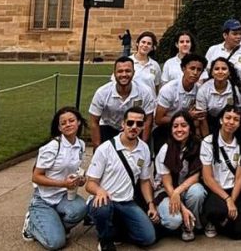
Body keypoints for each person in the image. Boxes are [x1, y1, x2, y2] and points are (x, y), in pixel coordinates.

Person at [85, 106, 157, 251]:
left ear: (143, 126)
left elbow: (144, 181)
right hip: (106, 200)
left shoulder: (144, 148)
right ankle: (105, 240)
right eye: (130, 123)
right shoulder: (105, 149)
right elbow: (90, 184)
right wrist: (99, 191)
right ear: (123, 124)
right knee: (102, 209)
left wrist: (150, 204)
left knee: (148, 238)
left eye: (139, 124)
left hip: (127, 202)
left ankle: (115, 229)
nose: (134, 127)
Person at [22, 107, 88, 250]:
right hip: (44, 199)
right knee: (56, 243)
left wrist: (80, 179)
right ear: (59, 128)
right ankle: (31, 224)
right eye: (63, 123)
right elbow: (36, 177)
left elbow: (75, 170)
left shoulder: (81, 145)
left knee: (81, 209)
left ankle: (54, 225)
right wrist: (63, 183)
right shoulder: (52, 147)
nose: (68, 124)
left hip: (64, 196)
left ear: (79, 122)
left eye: (71, 121)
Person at [154, 111, 206, 241]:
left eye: (183, 125)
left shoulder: (197, 145)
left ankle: (189, 225)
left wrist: (178, 191)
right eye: (175, 126)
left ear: (190, 128)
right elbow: (167, 184)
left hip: (184, 188)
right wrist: (182, 208)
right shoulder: (165, 149)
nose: (179, 130)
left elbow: (196, 176)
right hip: (166, 191)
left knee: (198, 192)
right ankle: (177, 218)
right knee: (173, 221)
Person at [200, 105, 241, 240]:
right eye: (228, 118)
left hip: (233, 190)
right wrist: (227, 200)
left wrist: (232, 201)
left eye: (236, 119)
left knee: (240, 232)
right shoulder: (208, 142)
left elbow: (239, 178)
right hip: (215, 190)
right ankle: (212, 221)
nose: (231, 122)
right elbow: (207, 178)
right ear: (221, 120)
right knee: (217, 211)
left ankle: (224, 222)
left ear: (239, 124)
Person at [89, 57, 156, 148]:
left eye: (128, 71)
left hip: (135, 127)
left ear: (134, 72)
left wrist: (143, 146)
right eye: (120, 71)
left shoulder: (145, 92)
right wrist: (98, 147)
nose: (124, 74)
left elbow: (148, 120)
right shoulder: (102, 93)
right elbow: (94, 121)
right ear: (114, 73)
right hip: (109, 127)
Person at [154, 54, 207, 151]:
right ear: (183, 69)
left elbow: (199, 118)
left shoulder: (200, 90)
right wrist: (187, 117)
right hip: (166, 129)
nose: (195, 73)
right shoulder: (168, 89)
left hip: (187, 129)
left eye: (199, 70)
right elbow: (158, 119)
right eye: (192, 68)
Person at [195, 57, 241, 137]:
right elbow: (202, 118)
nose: (220, 72)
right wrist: (207, 139)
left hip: (230, 125)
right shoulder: (203, 90)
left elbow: (239, 113)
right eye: (217, 69)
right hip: (209, 124)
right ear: (212, 73)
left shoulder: (235, 90)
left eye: (224, 69)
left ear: (229, 72)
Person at [205, 18, 241, 83]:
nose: (239, 37)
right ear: (225, 35)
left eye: (240, 34)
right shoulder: (213, 50)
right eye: (235, 34)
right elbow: (205, 72)